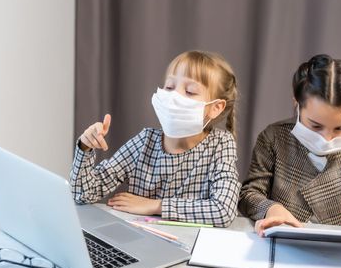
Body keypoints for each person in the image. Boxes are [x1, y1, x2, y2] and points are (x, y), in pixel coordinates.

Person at [239, 54, 341, 250]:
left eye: (340, 128)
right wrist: (271, 209)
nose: (327, 138)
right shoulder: (274, 138)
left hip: (339, 251)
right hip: (284, 245)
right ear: (297, 103)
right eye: (315, 126)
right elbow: (249, 194)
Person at [70, 50, 240, 227]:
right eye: (169, 87)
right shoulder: (145, 141)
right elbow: (83, 193)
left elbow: (223, 210)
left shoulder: (221, 145)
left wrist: (156, 206)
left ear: (216, 107)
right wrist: (85, 147)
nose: (175, 97)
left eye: (189, 91)